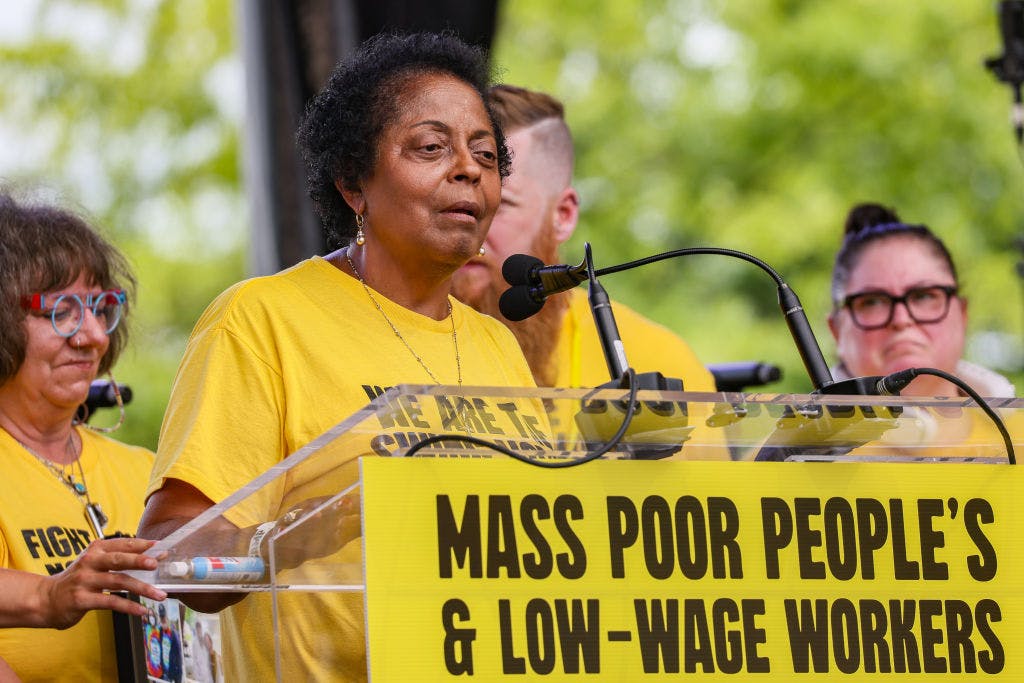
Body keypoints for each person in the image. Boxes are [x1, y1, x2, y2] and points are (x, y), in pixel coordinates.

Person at [138, 31, 541, 681]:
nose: (468, 168)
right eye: (431, 147)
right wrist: (314, 525)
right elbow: (170, 556)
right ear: (354, 182)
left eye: (487, 154)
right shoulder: (261, 321)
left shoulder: (496, 342)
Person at [0, 192, 167, 680]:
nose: (93, 334)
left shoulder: (146, 468)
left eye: (101, 307)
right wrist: (50, 595)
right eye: (63, 311)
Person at [451, 85, 715, 392]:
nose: (467, 227)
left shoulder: (660, 360)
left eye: (500, 204)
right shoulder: (386, 335)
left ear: (562, 215)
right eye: (452, 204)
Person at [828, 202, 1014, 398]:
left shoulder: (1017, 426)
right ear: (836, 330)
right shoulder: (796, 429)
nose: (901, 319)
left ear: (962, 313)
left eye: (924, 296)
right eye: (872, 302)